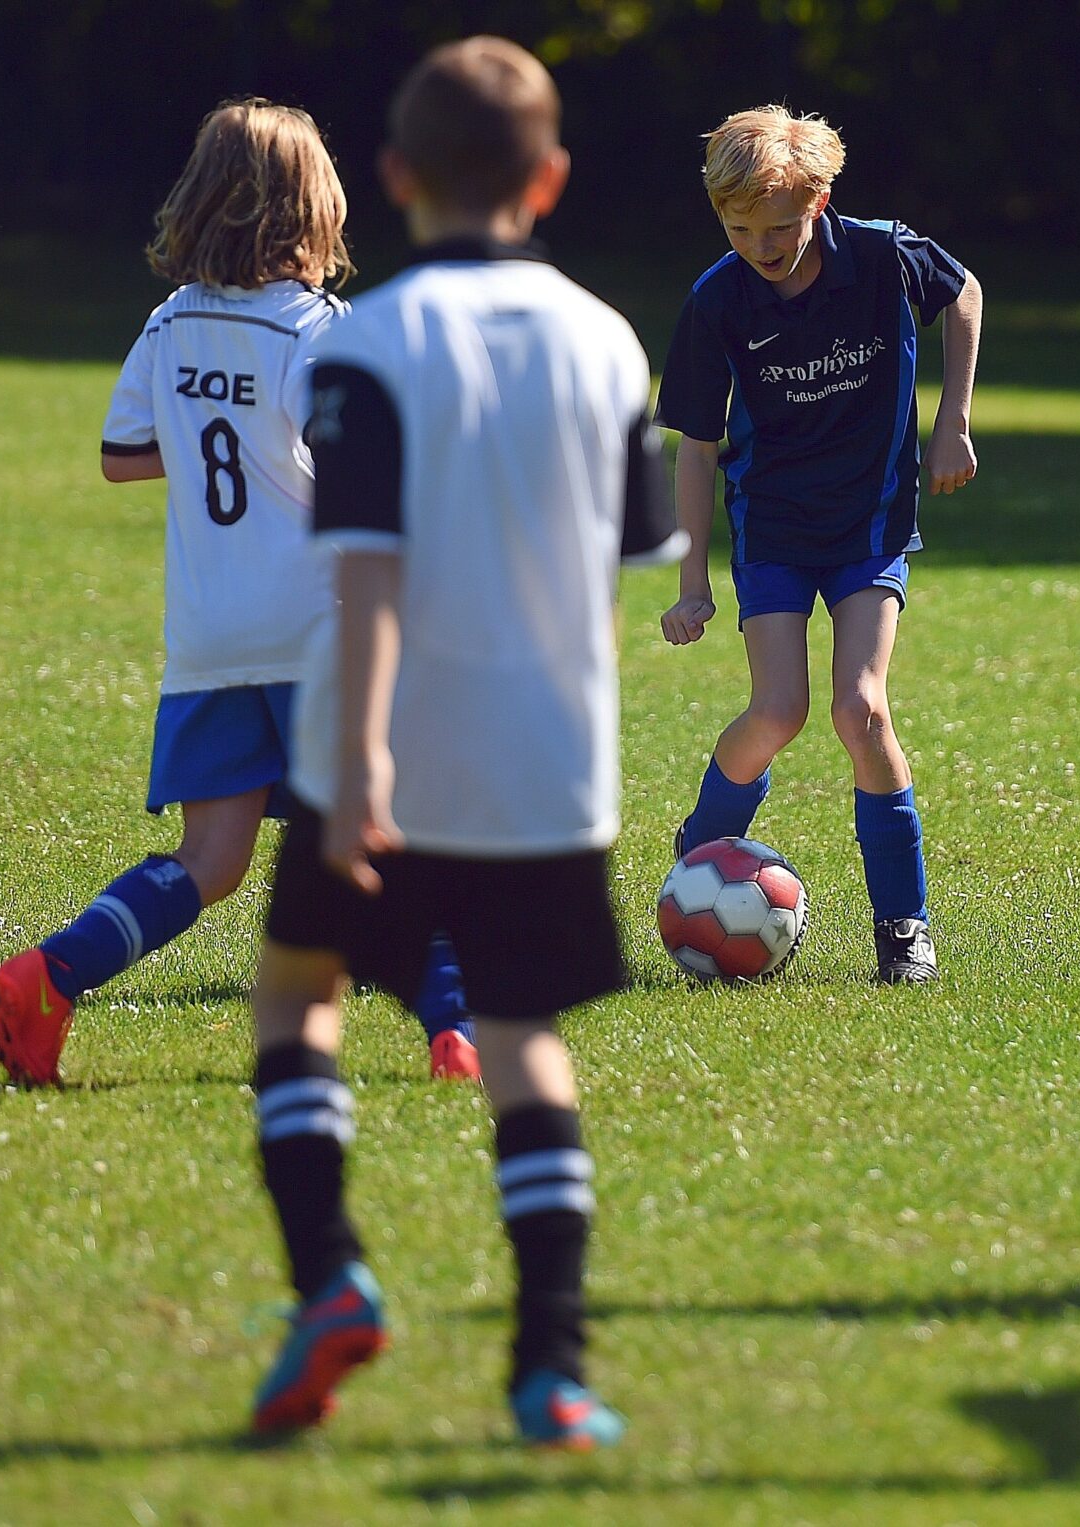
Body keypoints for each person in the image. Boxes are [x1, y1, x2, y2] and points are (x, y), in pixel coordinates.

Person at [241, 35, 679, 1447]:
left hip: (381, 752)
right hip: (549, 764)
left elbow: (367, 568)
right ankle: (551, 1366)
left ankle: (330, 1281)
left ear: (395, 178)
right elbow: (626, 563)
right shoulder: (611, 338)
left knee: (299, 995)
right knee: (523, 1041)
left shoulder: (366, 342)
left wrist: (359, 765)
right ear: (549, 180)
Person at [0, 99, 479, 1086]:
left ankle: (52, 972)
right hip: (316, 630)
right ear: (317, 207)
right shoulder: (318, 329)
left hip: (209, 638)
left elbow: (123, 458)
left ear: (201, 202)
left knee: (211, 858)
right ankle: (459, 1031)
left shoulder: (169, 325)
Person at [655, 105, 983, 984]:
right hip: (774, 527)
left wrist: (953, 421)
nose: (761, 246)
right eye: (739, 229)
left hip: (869, 521)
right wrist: (694, 581)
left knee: (861, 710)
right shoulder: (717, 298)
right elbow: (695, 442)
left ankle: (904, 930)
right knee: (778, 712)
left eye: (780, 227)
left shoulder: (880, 254)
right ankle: (699, 861)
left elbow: (966, 294)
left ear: (822, 201)